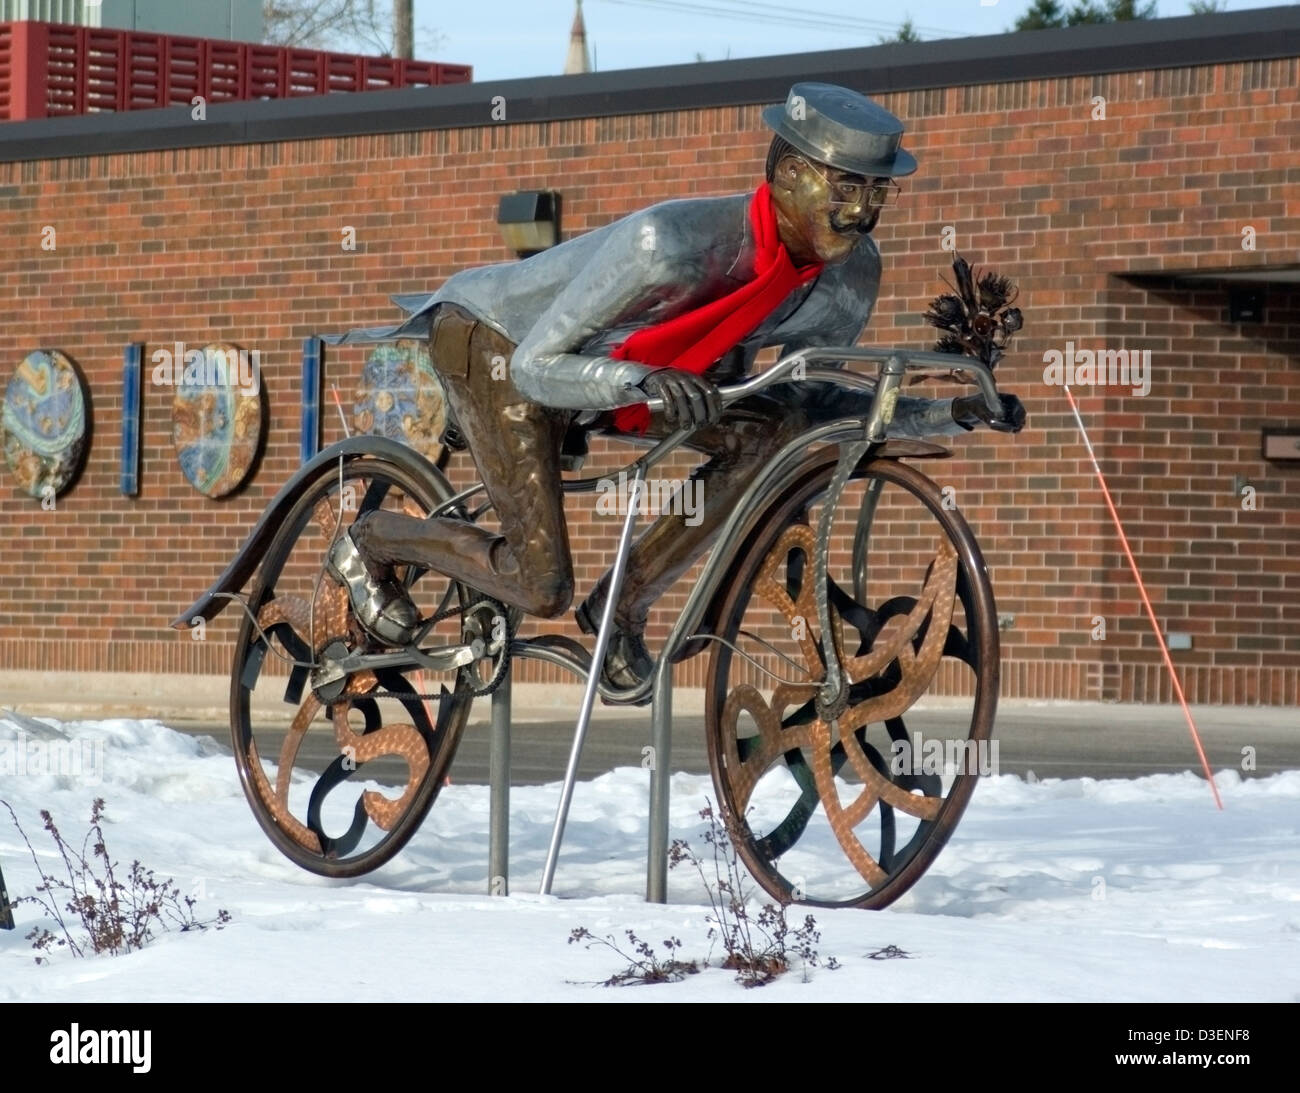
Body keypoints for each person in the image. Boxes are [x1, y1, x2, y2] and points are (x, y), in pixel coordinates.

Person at [325, 81, 1025, 692]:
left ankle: (622, 606)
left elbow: (809, 403)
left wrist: (949, 412)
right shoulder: (671, 243)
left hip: (642, 378)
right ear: (784, 172)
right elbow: (539, 366)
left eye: (875, 194)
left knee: (771, 434)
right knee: (541, 584)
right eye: (844, 188)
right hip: (501, 343)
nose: (861, 214)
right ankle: (372, 541)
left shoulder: (849, 275)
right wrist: (643, 379)